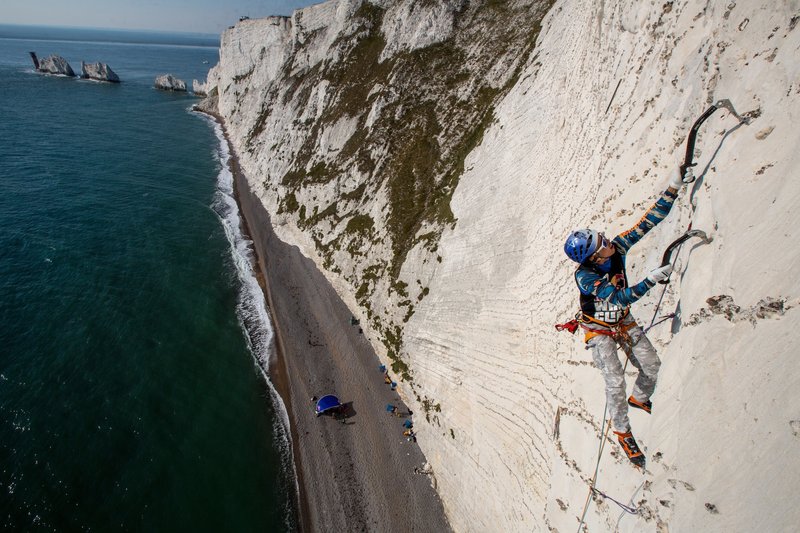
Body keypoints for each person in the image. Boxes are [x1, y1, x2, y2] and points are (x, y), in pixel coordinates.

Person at [563, 166, 691, 467]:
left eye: (603, 238)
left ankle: (641, 398)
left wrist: (672, 189)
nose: (608, 241)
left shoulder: (616, 248)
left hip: (621, 321)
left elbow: (647, 223)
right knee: (614, 381)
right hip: (599, 331)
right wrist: (650, 281)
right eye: (601, 244)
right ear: (593, 258)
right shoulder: (585, 277)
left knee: (653, 366)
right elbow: (617, 297)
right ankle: (622, 430)